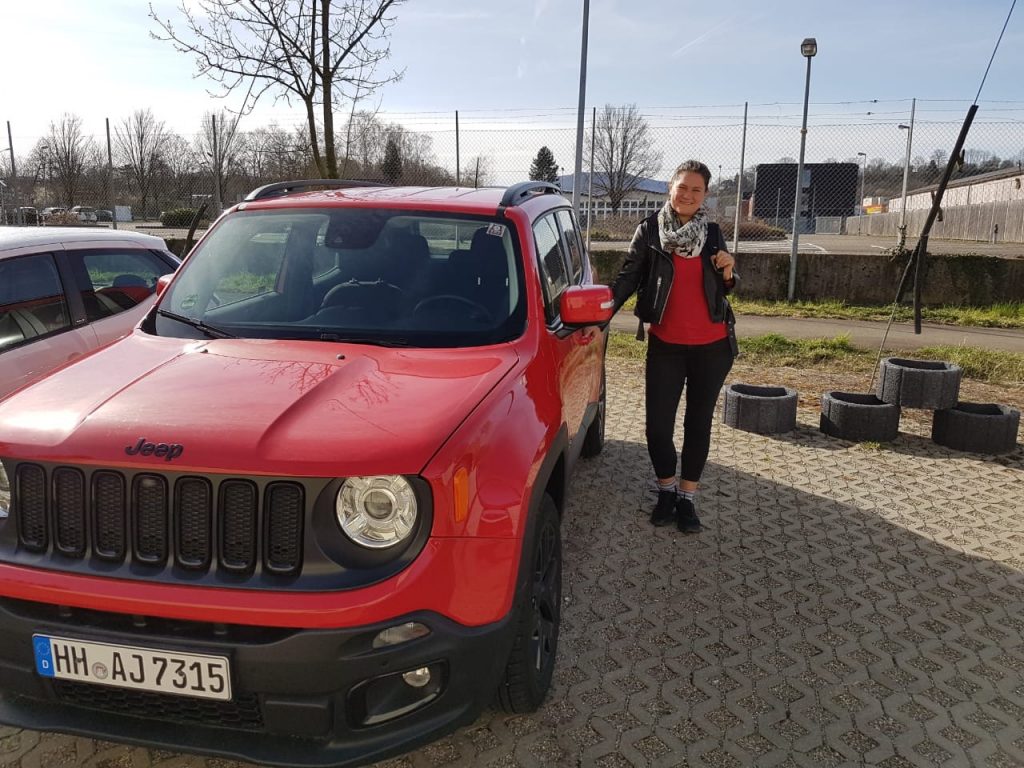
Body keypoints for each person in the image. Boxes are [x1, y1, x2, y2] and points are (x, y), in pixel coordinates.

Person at [610, 160, 737, 533]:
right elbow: (628, 277)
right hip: (666, 345)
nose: (688, 195)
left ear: (705, 195)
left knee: (698, 424)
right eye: (683, 187)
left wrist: (729, 270)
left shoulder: (711, 232)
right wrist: (598, 314)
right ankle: (665, 490)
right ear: (670, 188)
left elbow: (725, 285)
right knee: (657, 427)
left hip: (713, 347)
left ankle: (687, 498)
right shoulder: (650, 230)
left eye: (697, 190)